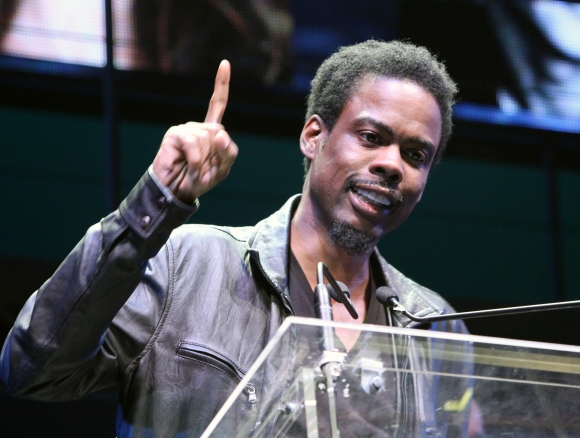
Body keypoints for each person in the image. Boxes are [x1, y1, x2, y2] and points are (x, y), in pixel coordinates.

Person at [1, 40, 471, 437]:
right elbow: (32, 369)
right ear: (313, 136)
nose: (392, 164)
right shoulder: (186, 263)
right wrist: (155, 200)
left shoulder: (434, 327)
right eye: (371, 137)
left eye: (415, 155)